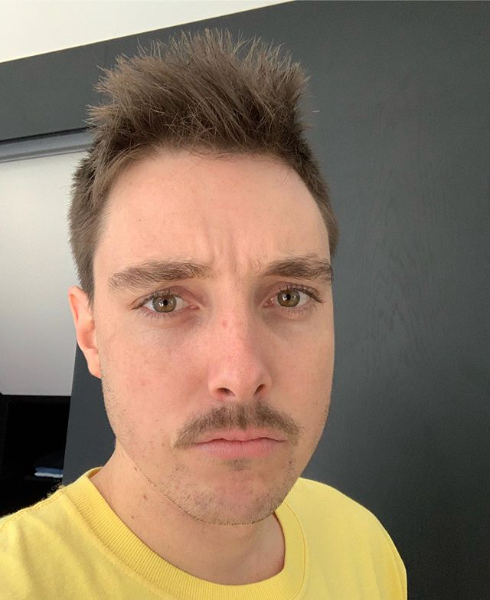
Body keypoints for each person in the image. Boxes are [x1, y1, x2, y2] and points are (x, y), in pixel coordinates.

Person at [0, 29, 407, 599]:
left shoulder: (364, 547)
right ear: (89, 334)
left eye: (289, 296)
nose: (241, 375)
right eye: (165, 301)